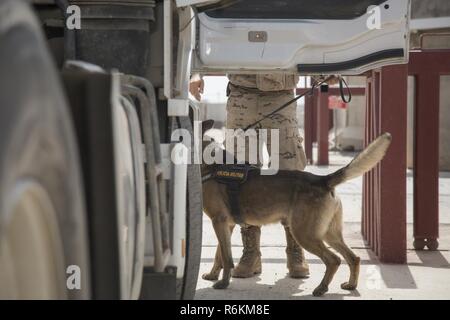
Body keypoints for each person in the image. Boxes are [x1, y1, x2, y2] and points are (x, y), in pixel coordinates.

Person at [190, 73, 309, 278]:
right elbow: (206, 41)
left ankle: (295, 250)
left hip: (280, 94)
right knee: (238, 179)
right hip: (241, 98)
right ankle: (251, 252)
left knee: (291, 177)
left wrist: (325, 71)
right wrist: (195, 73)